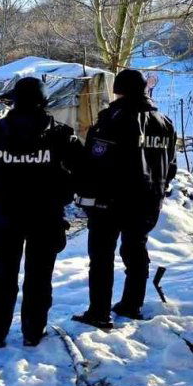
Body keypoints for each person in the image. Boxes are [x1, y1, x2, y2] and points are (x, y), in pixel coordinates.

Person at [0, 77, 80, 348]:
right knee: (39, 278)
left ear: (15, 100)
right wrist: (62, 189)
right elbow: (83, 170)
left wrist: (0, 184)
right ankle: (33, 333)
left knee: (3, 277)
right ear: (44, 101)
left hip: (6, 216)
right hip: (46, 217)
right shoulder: (61, 134)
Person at [72, 69, 178, 330]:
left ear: (118, 90)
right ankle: (132, 304)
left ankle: (99, 312)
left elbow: (96, 160)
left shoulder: (115, 118)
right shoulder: (164, 122)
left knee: (102, 256)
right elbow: (171, 165)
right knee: (136, 251)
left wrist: (83, 189)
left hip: (112, 200)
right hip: (149, 200)